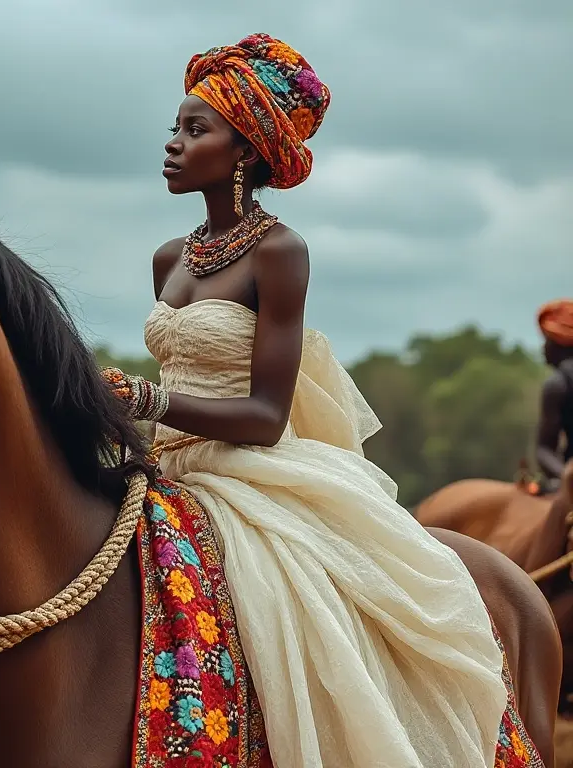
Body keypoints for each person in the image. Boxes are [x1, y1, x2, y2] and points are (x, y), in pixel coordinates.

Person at [103, 33, 509, 768]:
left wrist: (143, 396)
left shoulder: (278, 252)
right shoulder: (170, 257)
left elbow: (264, 417)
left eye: (195, 130)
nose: (172, 144)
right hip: (164, 469)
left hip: (250, 471)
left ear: (245, 151)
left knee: (295, 610)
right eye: (174, 128)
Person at [535, 299, 573, 493]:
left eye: (547, 340)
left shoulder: (557, 385)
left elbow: (544, 450)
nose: (543, 348)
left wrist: (565, 477)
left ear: (559, 343)